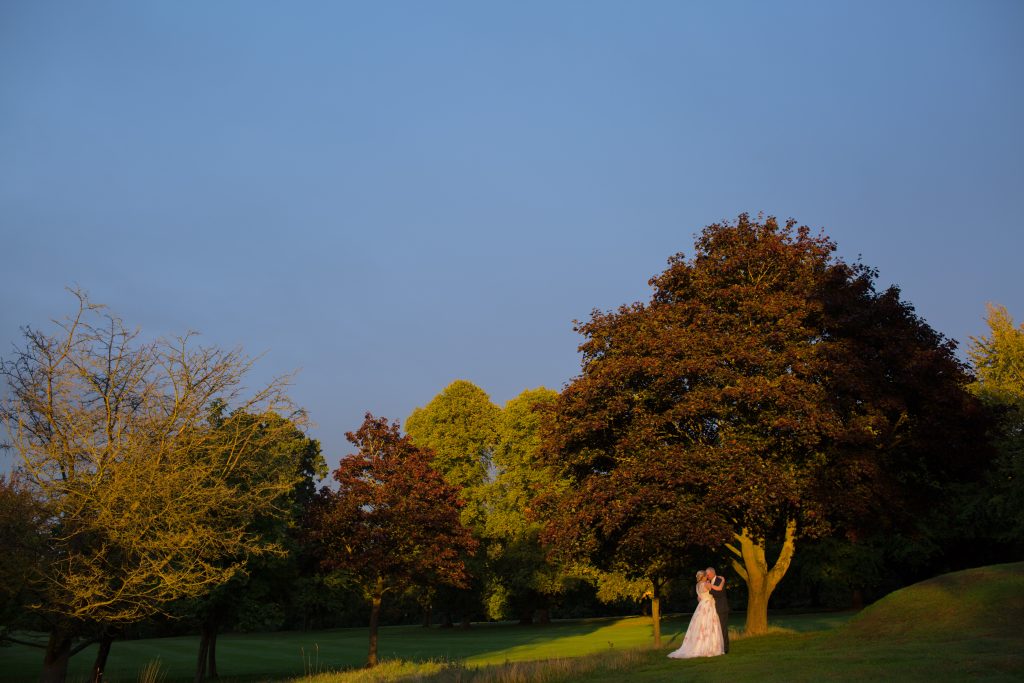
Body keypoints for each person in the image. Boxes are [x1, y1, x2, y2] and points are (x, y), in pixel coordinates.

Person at [667, 570, 724, 659]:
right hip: (708, 606)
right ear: (704, 576)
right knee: (709, 626)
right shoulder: (706, 584)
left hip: (701, 606)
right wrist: (723, 581)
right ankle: (708, 647)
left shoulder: (697, 585)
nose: (707, 577)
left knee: (701, 626)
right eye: (706, 576)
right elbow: (719, 589)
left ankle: (699, 645)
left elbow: (699, 598)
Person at [706, 566, 730, 653]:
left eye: (708, 575)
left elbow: (720, 593)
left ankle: (725, 649)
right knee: (716, 630)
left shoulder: (719, 580)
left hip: (721, 608)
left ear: (712, 573)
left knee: (723, 629)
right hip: (713, 609)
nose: (707, 576)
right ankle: (717, 647)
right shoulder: (709, 581)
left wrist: (710, 590)